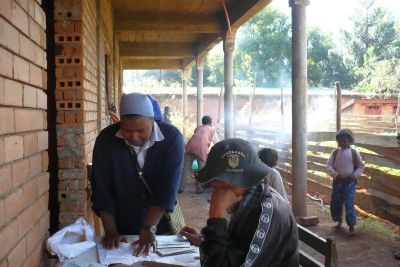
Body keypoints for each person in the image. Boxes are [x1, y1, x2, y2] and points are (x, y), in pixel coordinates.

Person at [91, 92, 184, 256]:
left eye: (142, 130)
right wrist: (111, 231)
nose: (134, 137)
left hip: (160, 226)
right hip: (121, 224)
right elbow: (101, 188)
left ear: (153, 120)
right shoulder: (106, 140)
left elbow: (168, 187)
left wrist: (149, 228)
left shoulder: (172, 138)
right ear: (120, 121)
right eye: (126, 130)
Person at [181, 138, 299, 267]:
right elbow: (237, 248)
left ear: (240, 181)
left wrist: (216, 218)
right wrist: (206, 241)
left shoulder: (266, 214)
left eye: (217, 180)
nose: (212, 186)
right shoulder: (251, 199)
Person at [326, 128, 365, 236]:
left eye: (345, 141)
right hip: (337, 181)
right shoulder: (335, 153)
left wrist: (354, 175)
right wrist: (336, 175)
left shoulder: (354, 152)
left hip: (350, 182)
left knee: (349, 203)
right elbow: (329, 166)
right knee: (336, 201)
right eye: (340, 141)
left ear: (350, 140)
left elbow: (361, 166)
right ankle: (338, 221)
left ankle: (351, 225)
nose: (342, 143)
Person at [179, 115, 218, 194]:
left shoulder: (198, 128)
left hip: (190, 146)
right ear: (210, 123)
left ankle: (180, 188)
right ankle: (199, 189)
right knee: (201, 170)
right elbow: (217, 143)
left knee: (185, 169)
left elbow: (198, 137)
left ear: (202, 122)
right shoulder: (212, 130)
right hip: (201, 149)